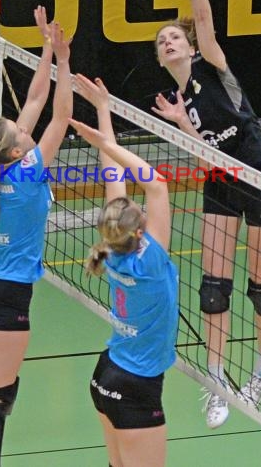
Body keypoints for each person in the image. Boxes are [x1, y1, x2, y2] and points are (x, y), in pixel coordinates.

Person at [152, 0, 261, 429]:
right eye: (162, 42)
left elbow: (203, 19)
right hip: (220, 186)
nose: (168, 43)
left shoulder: (215, 68)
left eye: (175, 37)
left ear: (191, 47)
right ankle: (216, 381)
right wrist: (180, 123)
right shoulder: (176, 102)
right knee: (212, 289)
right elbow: (207, 151)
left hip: (260, 180)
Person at [0, 6, 72, 467]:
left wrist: (45, 46)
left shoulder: (1, 167)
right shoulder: (26, 173)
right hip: (5, 297)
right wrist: (65, 58)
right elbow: (58, 113)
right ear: (19, 147)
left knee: (5, 389)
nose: (23, 122)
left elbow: (36, 98)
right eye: (19, 128)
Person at [69, 74, 179, 467]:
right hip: (136, 389)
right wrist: (106, 137)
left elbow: (115, 178)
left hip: (106, 377)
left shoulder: (113, 250)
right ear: (140, 228)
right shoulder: (150, 261)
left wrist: (104, 112)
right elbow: (158, 186)